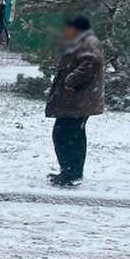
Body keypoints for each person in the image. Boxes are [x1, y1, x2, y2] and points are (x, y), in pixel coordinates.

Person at [46, 15, 105, 187]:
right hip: (77, 102)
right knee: (72, 135)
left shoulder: (87, 43)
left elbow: (91, 63)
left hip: (78, 101)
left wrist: (70, 80)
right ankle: (70, 172)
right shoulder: (84, 42)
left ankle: (71, 174)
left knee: (65, 135)